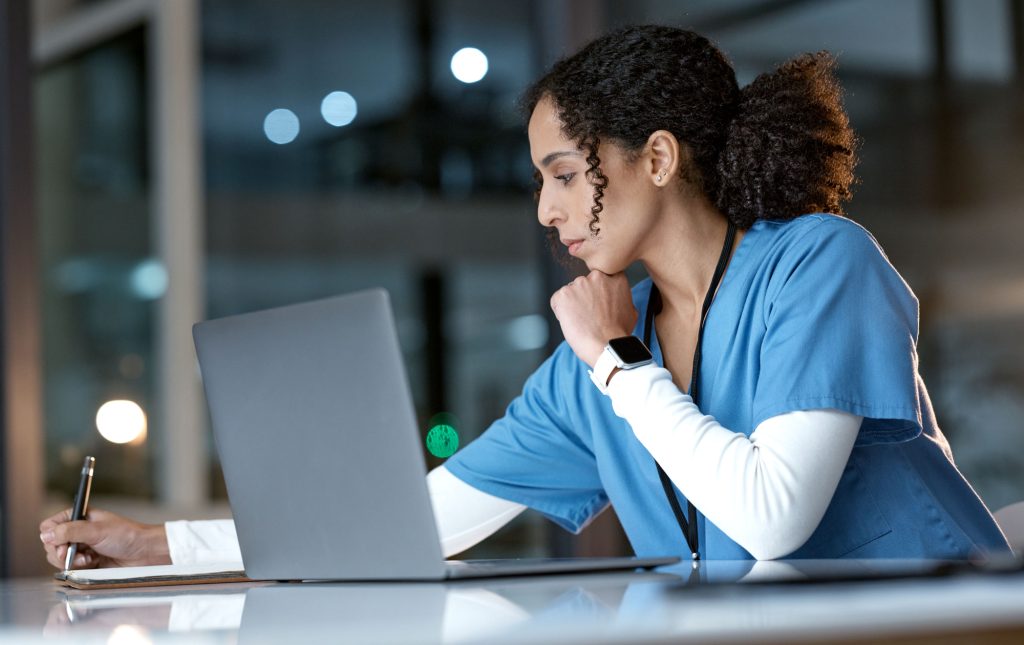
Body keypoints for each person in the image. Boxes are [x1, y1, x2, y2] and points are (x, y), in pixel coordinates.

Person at [41, 25, 1009, 569]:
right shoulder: (593, 362)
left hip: (937, 628)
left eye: (559, 173)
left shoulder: (816, 263)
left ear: (657, 158)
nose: (546, 211)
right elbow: (411, 525)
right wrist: (156, 545)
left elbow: (772, 516)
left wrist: (621, 364)